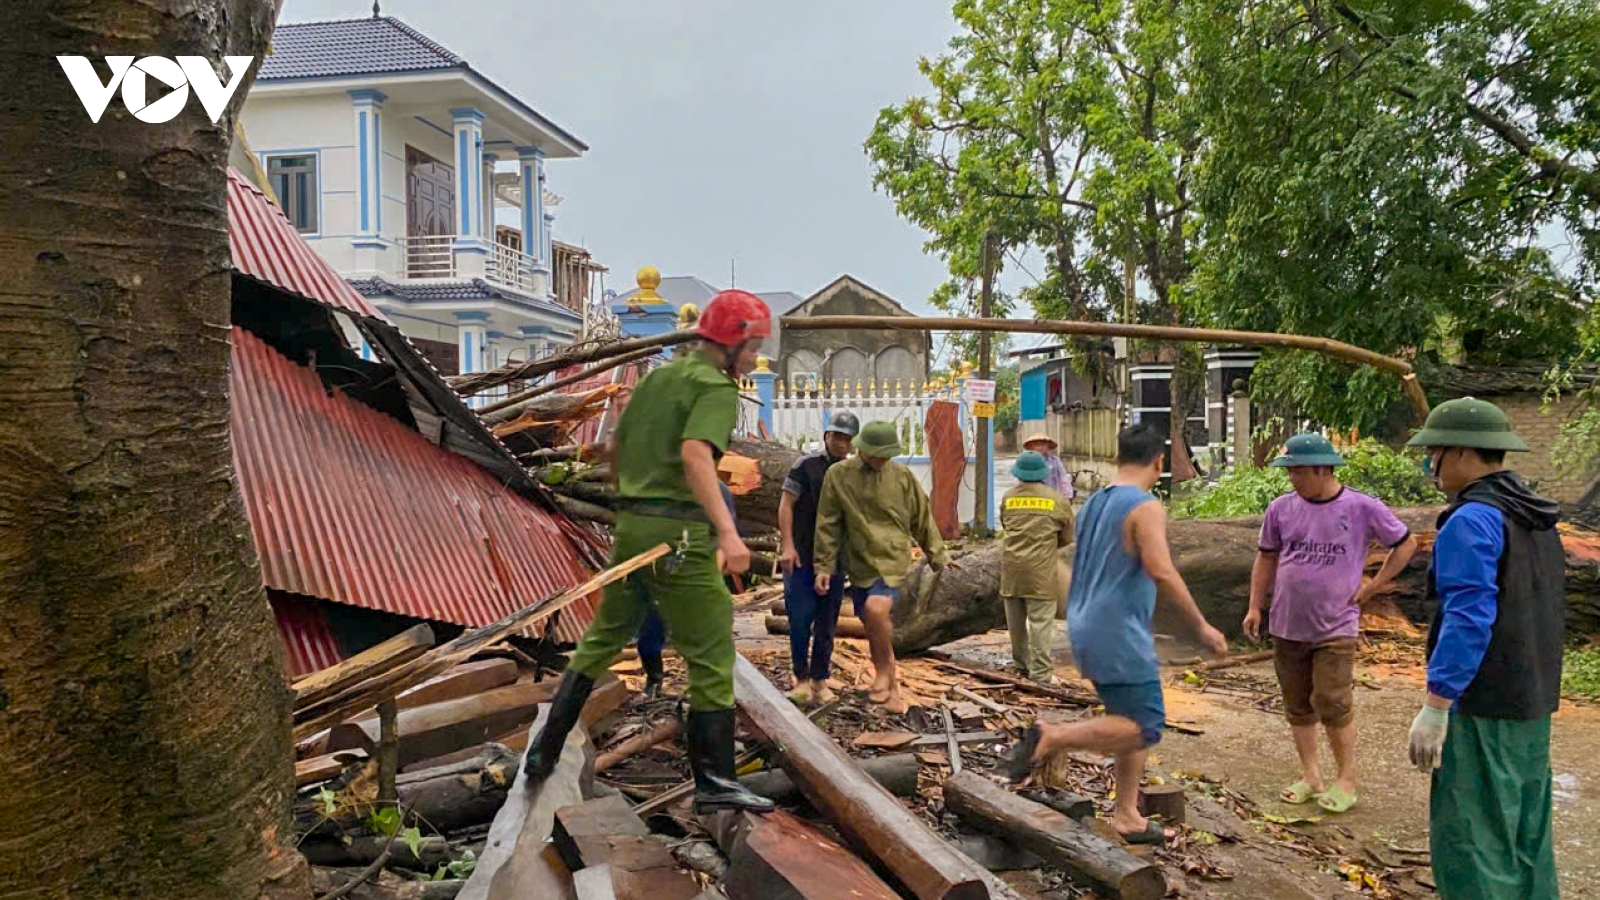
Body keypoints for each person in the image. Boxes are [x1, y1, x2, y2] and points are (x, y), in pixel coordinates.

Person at [522, 289, 776, 816]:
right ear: (729, 343)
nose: (755, 358)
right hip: (680, 534)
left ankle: (543, 751)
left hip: (633, 528)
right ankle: (715, 782)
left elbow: (613, 447)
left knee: (602, 639)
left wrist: (638, 496)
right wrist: (728, 534)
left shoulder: (659, 378)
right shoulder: (714, 386)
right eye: (752, 347)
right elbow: (695, 455)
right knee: (711, 651)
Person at [1005, 422, 1228, 844]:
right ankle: (1054, 737)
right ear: (1159, 462)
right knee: (1146, 727)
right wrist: (1200, 626)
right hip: (1117, 630)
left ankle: (1127, 813)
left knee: (1130, 716)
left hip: (1086, 622)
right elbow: (1160, 569)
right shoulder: (1144, 506)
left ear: (1116, 456)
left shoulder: (1094, 503)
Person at [1405, 398, 1563, 899]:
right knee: (1525, 836)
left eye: (1434, 453)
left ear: (1461, 453)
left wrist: (1437, 702)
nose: (1431, 466)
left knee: (1474, 840)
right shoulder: (1535, 517)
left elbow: (1468, 616)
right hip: (1532, 701)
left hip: (1484, 705)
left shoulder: (1472, 520)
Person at [1243, 433, 1419, 814]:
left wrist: (1373, 586)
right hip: (1288, 622)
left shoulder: (1361, 507)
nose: (1292, 478)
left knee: (1332, 700)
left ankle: (1347, 778)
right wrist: (1256, 606)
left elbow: (1406, 543)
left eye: (1298, 471)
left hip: (1336, 625)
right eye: (1289, 472)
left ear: (1323, 468)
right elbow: (1266, 559)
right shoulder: (1280, 509)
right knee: (1296, 703)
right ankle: (1311, 776)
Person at [813, 419, 951, 715]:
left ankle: (884, 675)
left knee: (877, 610)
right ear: (862, 449)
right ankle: (892, 690)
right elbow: (828, 523)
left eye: (887, 455)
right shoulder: (838, 475)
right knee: (873, 624)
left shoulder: (901, 477)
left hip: (893, 558)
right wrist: (824, 565)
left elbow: (922, 518)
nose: (882, 460)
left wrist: (938, 555)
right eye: (877, 454)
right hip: (860, 561)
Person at [777, 411, 858, 705]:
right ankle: (800, 676)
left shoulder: (851, 474)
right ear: (827, 436)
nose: (840, 443)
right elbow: (786, 505)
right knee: (800, 618)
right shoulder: (805, 466)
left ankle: (820, 678)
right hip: (802, 556)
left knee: (827, 620)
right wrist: (787, 545)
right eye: (836, 436)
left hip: (835, 558)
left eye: (846, 439)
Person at [637, 481, 742, 700]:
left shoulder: (717, 490)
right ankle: (654, 680)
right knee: (648, 636)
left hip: (699, 572)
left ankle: (705, 690)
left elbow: (724, 538)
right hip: (661, 571)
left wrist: (712, 574)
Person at [1000, 450, 1074, 684]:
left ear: (1018, 474)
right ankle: (1041, 673)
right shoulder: (1056, 500)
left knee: (1016, 623)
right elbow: (1068, 536)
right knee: (1041, 623)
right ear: (1043, 474)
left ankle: (1021, 665)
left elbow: (1005, 524)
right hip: (1041, 571)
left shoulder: (1008, 498)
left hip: (1011, 570)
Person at [1023, 432, 1075, 500]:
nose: (1040, 447)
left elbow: (1063, 478)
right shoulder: (1027, 461)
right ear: (1032, 446)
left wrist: (1068, 496)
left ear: (1048, 446)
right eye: (1037, 445)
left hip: (1052, 495)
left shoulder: (1055, 461)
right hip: (1033, 497)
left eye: (1043, 444)